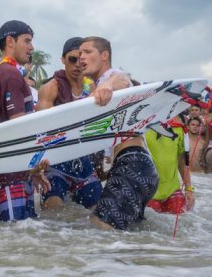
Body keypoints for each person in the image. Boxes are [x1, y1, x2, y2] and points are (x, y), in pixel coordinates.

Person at [79, 36, 159, 231]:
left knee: (100, 227)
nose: (81, 57)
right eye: (80, 53)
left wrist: (107, 86)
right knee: (128, 237)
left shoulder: (112, 77)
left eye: (88, 52)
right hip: (136, 167)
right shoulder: (96, 86)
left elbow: (122, 79)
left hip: (132, 165)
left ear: (104, 55)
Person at [0, 20, 49, 222]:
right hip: (10, 175)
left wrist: (32, 168)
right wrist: (35, 163)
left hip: (18, 172)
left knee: (22, 239)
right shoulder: (9, 74)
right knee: (14, 236)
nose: (32, 47)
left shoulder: (7, 72)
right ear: (10, 41)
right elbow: (19, 126)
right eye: (27, 41)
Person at [37, 37, 102, 210]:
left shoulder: (94, 89)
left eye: (81, 60)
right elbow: (40, 131)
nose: (77, 65)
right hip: (56, 163)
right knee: (53, 217)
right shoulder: (50, 88)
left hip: (84, 163)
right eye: (72, 59)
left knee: (101, 214)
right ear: (63, 60)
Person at [145, 118, 195, 214]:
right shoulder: (141, 129)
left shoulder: (179, 128)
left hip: (173, 189)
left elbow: (182, 162)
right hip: (149, 191)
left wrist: (189, 189)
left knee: (183, 222)